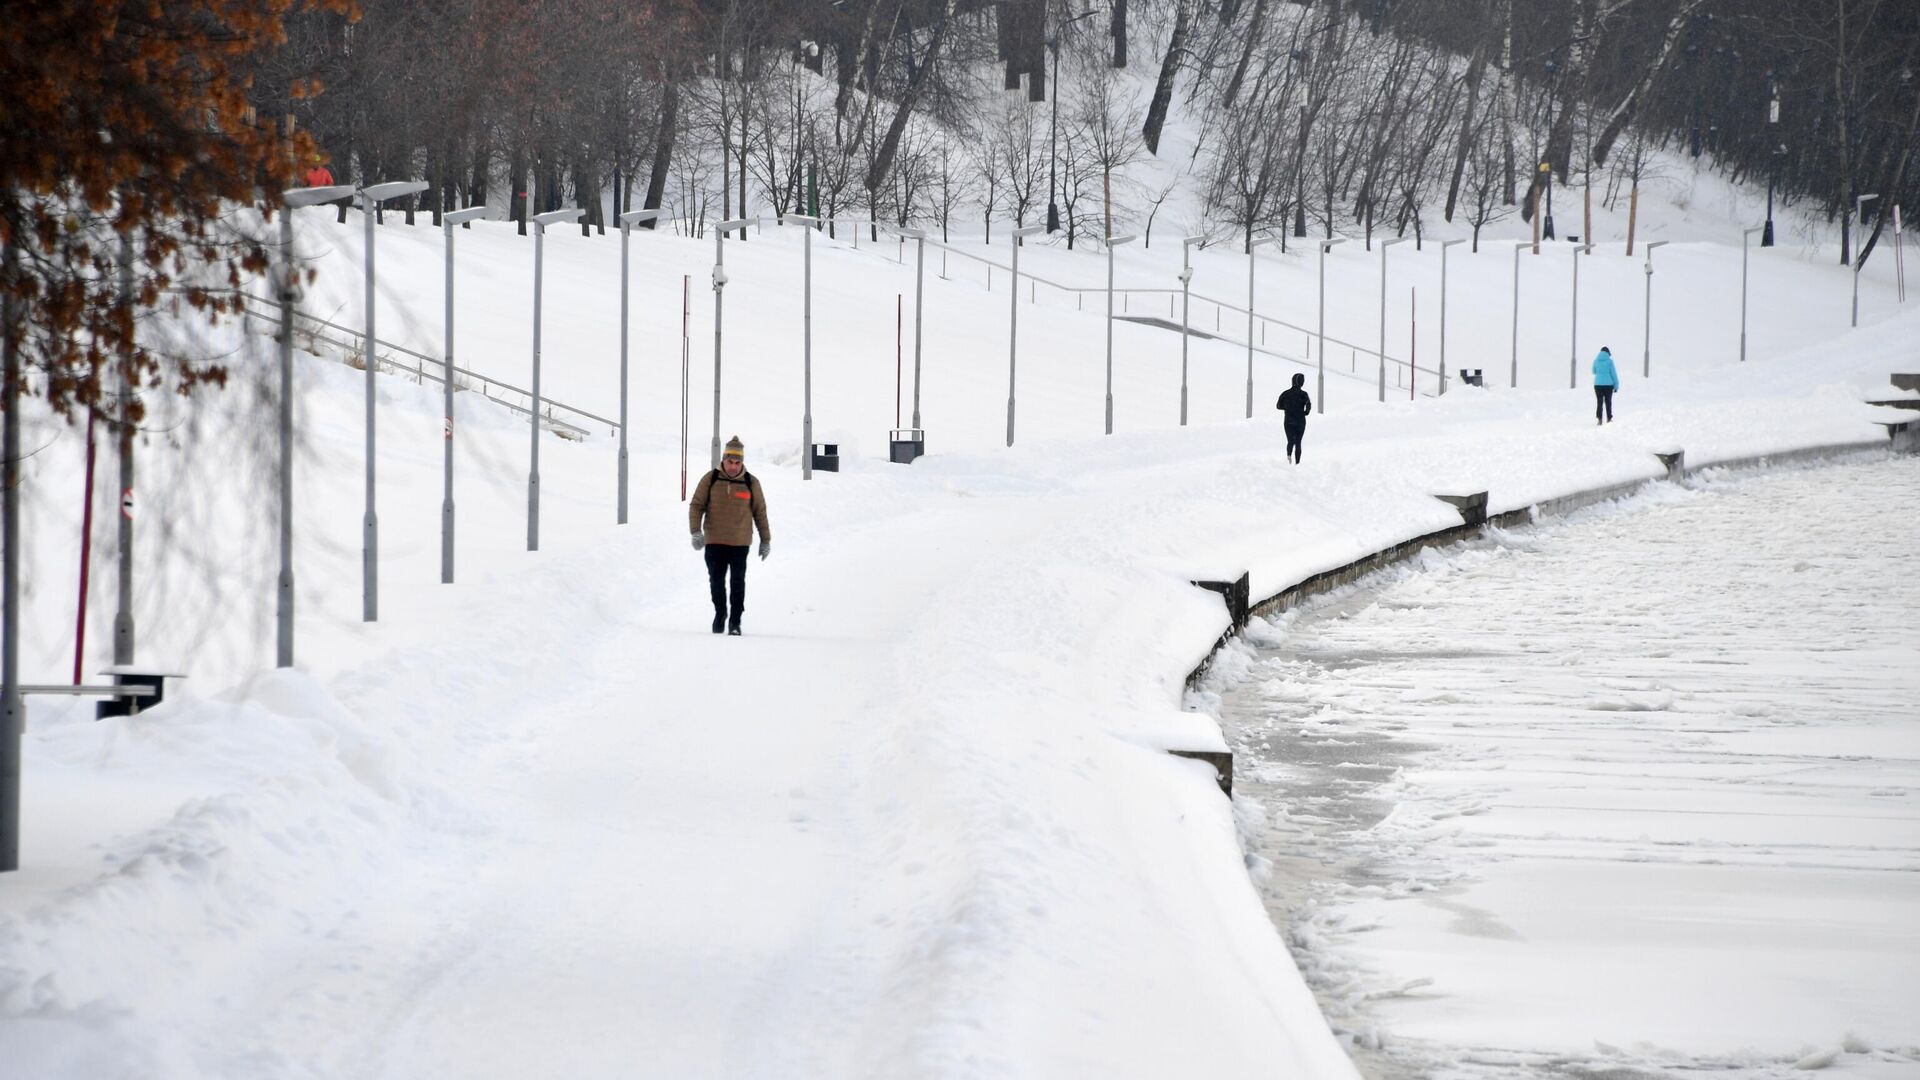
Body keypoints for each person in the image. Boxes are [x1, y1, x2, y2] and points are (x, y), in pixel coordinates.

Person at [689, 436, 771, 636]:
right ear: (723, 460)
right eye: (730, 462)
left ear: (742, 463)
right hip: (714, 541)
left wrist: (765, 540)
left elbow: (760, 512)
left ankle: (735, 621)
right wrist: (696, 532)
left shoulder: (751, 482)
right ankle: (720, 613)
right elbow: (696, 505)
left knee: (737, 583)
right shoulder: (710, 479)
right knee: (716, 581)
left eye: (737, 462)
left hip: (739, 543)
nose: (733, 466)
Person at [1276, 373, 1312, 464]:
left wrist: (1288, 408)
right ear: (1302, 383)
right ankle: (1297, 463)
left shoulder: (1285, 393)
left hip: (1288, 420)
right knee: (1298, 442)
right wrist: (1305, 412)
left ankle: (1288, 457)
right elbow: (1308, 406)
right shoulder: (1304, 394)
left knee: (1290, 441)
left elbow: (1278, 406)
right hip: (1300, 421)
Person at [1592, 345, 1619, 425]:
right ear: (1608, 353)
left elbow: (1593, 371)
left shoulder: (1596, 361)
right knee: (1608, 402)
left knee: (1599, 402)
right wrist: (1616, 386)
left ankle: (1599, 419)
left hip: (1598, 385)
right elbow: (1614, 374)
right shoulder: (1610, 362)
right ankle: (1609, 418)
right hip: (1608, 385)